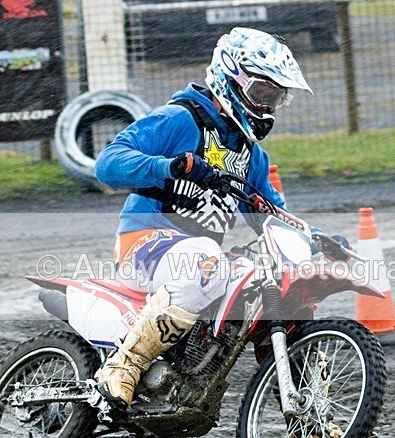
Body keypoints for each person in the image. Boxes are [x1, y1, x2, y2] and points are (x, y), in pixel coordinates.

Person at [93, 27, 317, 409]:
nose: (267, 107)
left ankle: (307, 421)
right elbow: (108, 164)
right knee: (206, 261)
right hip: (145, 243)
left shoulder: (252, 157)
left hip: (197, 261)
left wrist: (317, 238)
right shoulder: (180, 119)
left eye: (277, 98)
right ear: (231, 76)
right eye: (263, 93)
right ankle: (123, 365)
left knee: (280, 291)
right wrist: (170, 166)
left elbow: (272, 213)